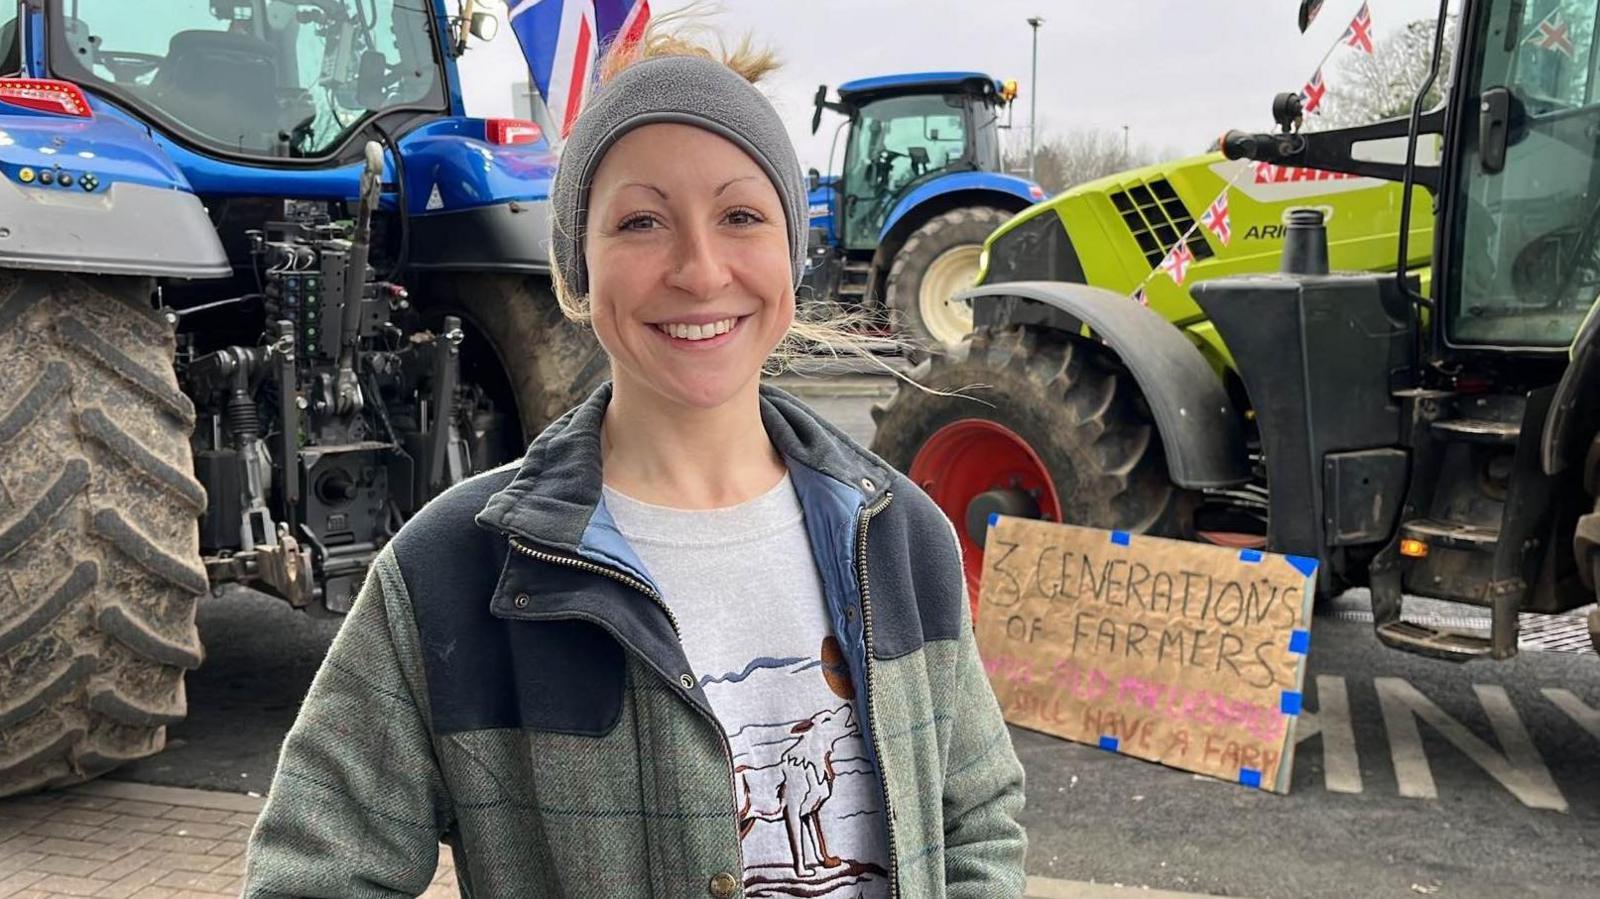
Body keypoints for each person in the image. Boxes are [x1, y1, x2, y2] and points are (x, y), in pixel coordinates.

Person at [242, 23, 1026, 899]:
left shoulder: (901, 538)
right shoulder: (457, 571)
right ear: (578, 270)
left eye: (740, 215)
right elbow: (313, 874)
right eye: (642, 220)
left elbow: (976, 815)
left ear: (789, 254)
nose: (698, 271)